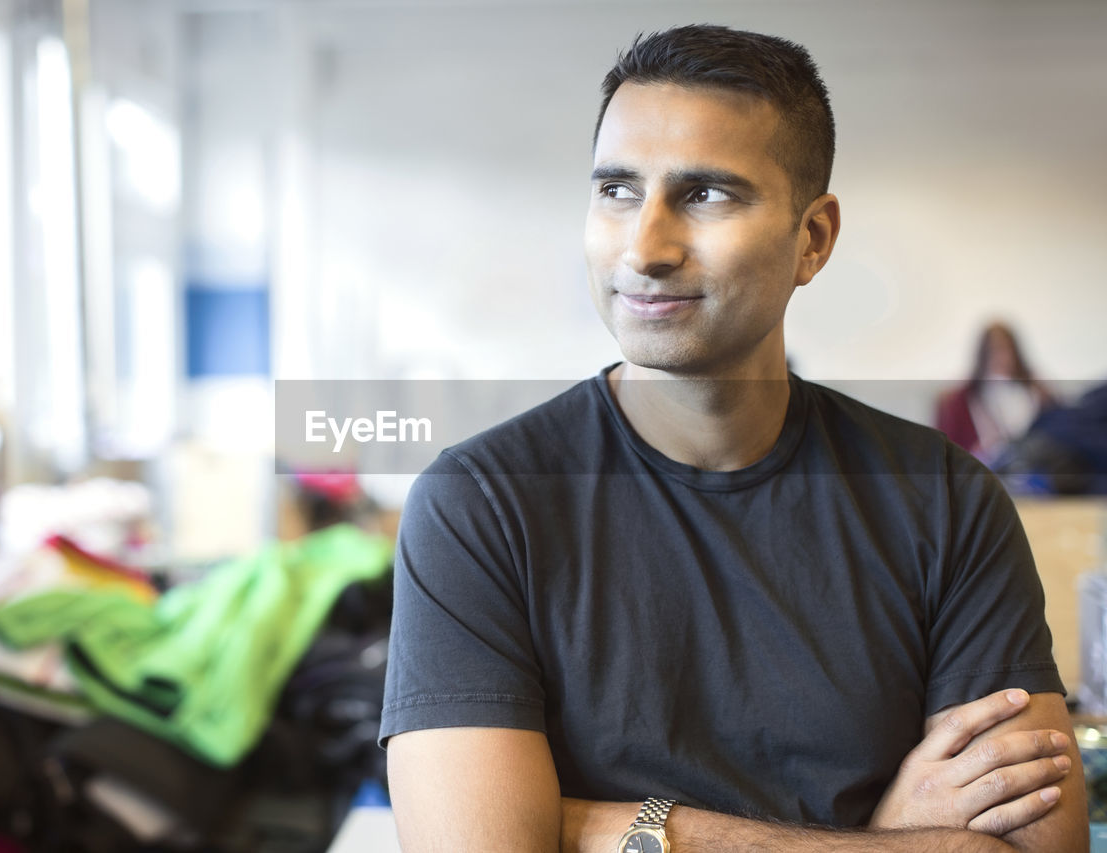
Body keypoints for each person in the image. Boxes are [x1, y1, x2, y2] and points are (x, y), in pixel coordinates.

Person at [380, 25, 1087, 852]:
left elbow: (1038, 847)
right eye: (616, 189)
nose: (645, 248)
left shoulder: (945, 499)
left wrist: (599, 828)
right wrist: (886, 837)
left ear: (813, 240)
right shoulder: (480, 505)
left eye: (706, 194)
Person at [936, 322, 1056, 466]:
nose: (1000, 358)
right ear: (983, 355)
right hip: (984, 470)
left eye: (1005, 350)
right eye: (993, 351)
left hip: (1032, 468)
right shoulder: (958, 401)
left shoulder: (1038, 393)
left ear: (1015, 352)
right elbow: (944, 455)